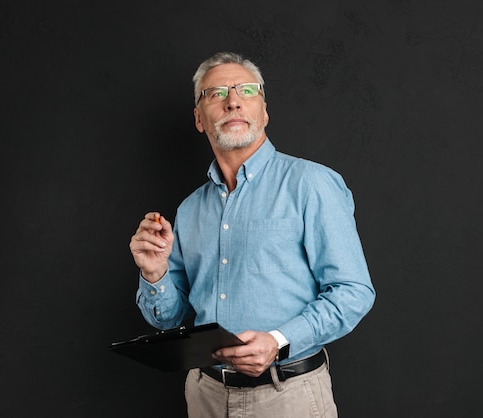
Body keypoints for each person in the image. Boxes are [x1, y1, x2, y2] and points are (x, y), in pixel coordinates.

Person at [129, 51, 375, 417]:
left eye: (246, 90)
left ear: (263, 111)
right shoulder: (189, 210)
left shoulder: (312, 185)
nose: (232, 102)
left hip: (288, 396)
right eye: (216, 93)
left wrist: (279, 341)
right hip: (204, 395)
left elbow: (353, 293)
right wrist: (155, 274)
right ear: (199, 118)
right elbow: (170, 318)